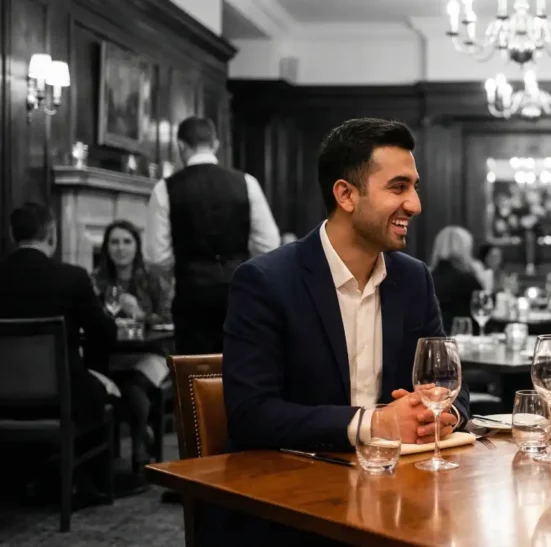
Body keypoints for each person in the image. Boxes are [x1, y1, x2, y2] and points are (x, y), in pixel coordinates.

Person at [221, 118, 471, 547]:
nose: (415, 204)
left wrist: (438, 417)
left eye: (414, 187)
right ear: (346, 195)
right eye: (398, 187)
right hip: (293, 506)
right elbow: (251, 415)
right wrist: (375, 423)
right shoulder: (266, 281)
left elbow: (451, 390)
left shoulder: (413, 279)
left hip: (398, 501)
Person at [0, 203, 119, 505]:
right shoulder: (72, 278)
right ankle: (85, 483)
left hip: (5, 400)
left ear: (12, 234)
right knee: (104, 392)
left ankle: (22, 476)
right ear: (51, 233)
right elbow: (104, 335)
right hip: (65, 396)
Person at [143, 116, 280, 355]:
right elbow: (269, 244)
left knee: (195, 372)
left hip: (192, 294)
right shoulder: (247, 183)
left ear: (181, 146)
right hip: (239, 291)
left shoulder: (165, 189)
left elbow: (157, 257)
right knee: (241, 365)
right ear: (215, 144)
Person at [93, 220, 171, 467]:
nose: (120, 248)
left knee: (133, 386)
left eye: (127, 241)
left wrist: (139, 314)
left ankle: (139, 452)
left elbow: (168, 319)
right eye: (114, 242)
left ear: (137, 246)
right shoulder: (98, 279)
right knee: (110, 381)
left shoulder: (152, 277)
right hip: (113, 354)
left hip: (152, 353)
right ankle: (133, 441)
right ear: (106, 248)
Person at [429, 226, 484, 332]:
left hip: (429, 341)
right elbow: (482, 307)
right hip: (461, 339)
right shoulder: (467, 279)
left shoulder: (425, 277)